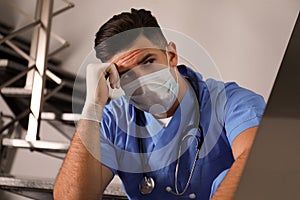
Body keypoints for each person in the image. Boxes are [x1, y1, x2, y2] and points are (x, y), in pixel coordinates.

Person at [53, 8, 265, 200]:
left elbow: (258, 158)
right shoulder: (114, 121)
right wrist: (93, 105)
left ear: (171, 56)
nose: (141, 80)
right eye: (126, 74)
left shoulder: (230, 102)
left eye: (147, 62)